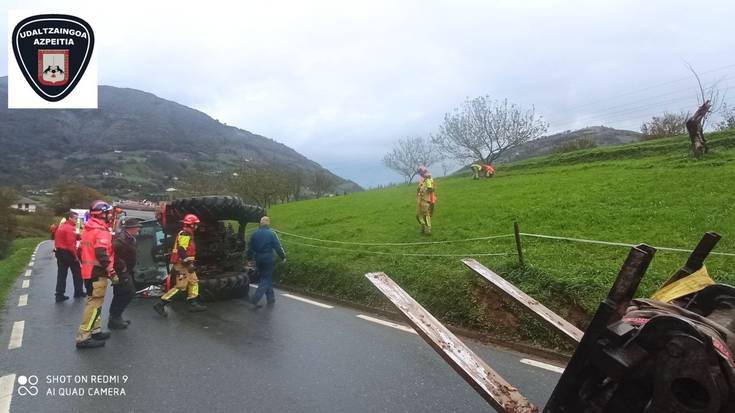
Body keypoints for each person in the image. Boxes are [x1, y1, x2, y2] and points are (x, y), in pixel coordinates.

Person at [76, 200, 119, 349]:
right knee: (94, 305)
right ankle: (83, 337)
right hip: (98, 273)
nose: (110, 216)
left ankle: (96, 331)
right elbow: (102, 253)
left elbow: (80, 251)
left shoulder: (88, 229)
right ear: (102, 214)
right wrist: (111, 272)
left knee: (96, 304)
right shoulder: (101, 231)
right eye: (108, 213)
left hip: (89, 273)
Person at [153, 214, 207, 316]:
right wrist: (187, 262)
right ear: (191, 225)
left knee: (193, 282)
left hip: (186, 264)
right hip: (183, 264)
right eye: (195, 224)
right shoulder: (185, 234)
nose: (197, 226)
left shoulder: (188, 233)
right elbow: (182, 249)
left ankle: (193, 303)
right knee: (181, 286)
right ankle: (161, 303)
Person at [109, 218, 141, 329]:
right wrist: (121, 266)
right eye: (137, 227)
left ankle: (115, 318)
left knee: (120, 293)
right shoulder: (121, 239)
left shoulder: (129, 238)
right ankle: (115, 317)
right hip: (121, 271)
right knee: (128, 292)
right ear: (131, 228)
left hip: (125, 270)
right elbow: (111, 252)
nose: (139, 229)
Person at [247, 216, 286, 308]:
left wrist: (248, 259)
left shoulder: (254, 234)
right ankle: (255, 298)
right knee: (266, 279)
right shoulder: (272, 233)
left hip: (258, 258)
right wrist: (283, 257)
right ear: (268, 223)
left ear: (261, 223)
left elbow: (250, 248)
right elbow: (277, 246)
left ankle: (270, 298)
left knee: (264, 277)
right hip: (268, 258)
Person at [54, 211, 84, 301]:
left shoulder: (62, 226)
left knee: (61, 275)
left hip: (59, 252)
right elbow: (71, 245)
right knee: (78, 273)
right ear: (70, 218)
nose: (76, 220)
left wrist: (80, 236)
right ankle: (78, 292)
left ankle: (59, 294)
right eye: (75, 218)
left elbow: (63, 238)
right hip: (68, 253)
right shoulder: (70, 228)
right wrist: (75, 257)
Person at [415, 166, 436, 235]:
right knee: (418, 215)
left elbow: (431, 189)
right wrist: (418, 191)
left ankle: (428, 228)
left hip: (426, 199)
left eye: (420, 172)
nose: (420, 174)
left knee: (425, 215)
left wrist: (425, 190)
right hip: (420, 199)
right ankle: (423, 225)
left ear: (423, 171)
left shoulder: (428, 179)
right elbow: (419, 188)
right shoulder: (422, 179)